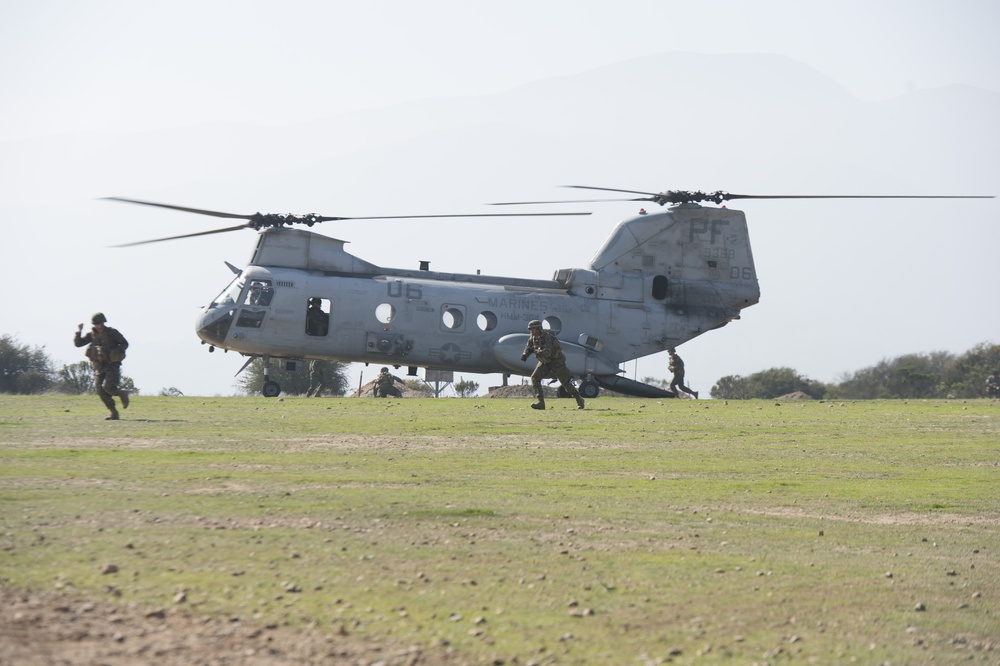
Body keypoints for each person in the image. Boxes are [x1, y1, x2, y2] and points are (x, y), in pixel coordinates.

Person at [74, 312, 130, 420]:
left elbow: (125, 343)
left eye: (100, 323)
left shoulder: (112, 333)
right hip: (99, 366)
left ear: (103, 322)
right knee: (100, 390)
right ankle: (113, 412)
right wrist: (79, 332)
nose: (98, 326)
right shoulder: (92, 335)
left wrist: (116, 352)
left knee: (108, 387)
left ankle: (122, 394)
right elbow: (78, 344)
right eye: (96, 324)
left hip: (112, 365)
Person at [520, 320, 585, 410]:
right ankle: (541, 403)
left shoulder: (547, 338)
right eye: (530, 329)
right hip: (545, 362)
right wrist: (525, 355)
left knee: (566, 383)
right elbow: (528, 347)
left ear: (538, 329)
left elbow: (547, 352)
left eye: (533, 329)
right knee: (535, 378)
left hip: (556, 362)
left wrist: (534, 351)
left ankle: (579, 399)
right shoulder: (532, 338)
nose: (531, 331)